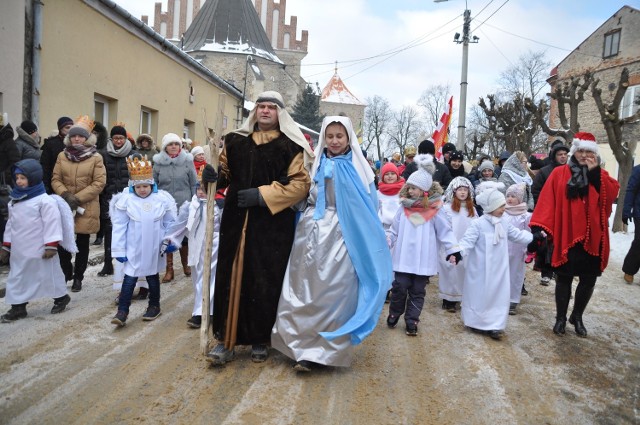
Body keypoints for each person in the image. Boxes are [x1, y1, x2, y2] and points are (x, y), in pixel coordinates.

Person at [271, 116, 392, 372]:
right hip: (310, 234)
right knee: (303, 289)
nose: (334, 141)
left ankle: (324, 351)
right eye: (330, 136)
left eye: (340, 136)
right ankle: (298, 346)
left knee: (334, 293)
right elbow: (303, 195)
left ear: (348, 139)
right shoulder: (313, 164)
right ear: (323, 138)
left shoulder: (361, 170)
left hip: (343, 236)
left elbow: (369, 209)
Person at [202, 91, 313, 365]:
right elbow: (223, 176)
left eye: (271, 108)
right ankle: (225, 340)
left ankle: (260, 338)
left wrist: (262, 196)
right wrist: (211, 174)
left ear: (280, 114)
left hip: (272, 225)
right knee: (230, 275)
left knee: (265, 278)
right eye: (261, 107)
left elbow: (301, 185)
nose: (265, 111)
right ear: (254, 112)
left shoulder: (290, 146)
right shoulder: (236, 142)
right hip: (235, 219)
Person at [530, 132, 619, 337]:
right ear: (574, 151)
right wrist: (539, 227)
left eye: (589, 151)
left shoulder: (601, 174)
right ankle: (560, 318)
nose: (584, 155)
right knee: (564, 278)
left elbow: (611, 195)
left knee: (588, 279)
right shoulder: (559, 173)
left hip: (592, 236)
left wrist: (595, 173)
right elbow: (547, 200)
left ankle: (577, 316)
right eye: (580, 150)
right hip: (567, 235)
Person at [386, 154, 461, 336]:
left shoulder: (435, 211)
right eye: (409, 187)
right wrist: (387, 241)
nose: (410, 191)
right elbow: (394, 230)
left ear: (425, 191)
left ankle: (412, 320)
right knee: (399, 287)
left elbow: (445, 231)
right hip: (403, 259)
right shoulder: (403, 208)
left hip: (423, 261)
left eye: (414, 188)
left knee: (418, 291)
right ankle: (395, 311)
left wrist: (453, 250)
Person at [0, 159, 76, 322]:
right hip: (20, 250)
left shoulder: (44, 201)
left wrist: (51, 245)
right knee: (17, 276)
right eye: (17, 178)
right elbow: (10, 225)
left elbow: (52, 223)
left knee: (48, 274)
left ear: (33, 178)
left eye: (23, 177)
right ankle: (18, 307)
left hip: (41, 249)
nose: (19, 181)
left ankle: (61, 297)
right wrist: (6, 246)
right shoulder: (14, 201)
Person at [458, 188, 538, 340]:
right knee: (479, 295)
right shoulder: (478, 224)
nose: (504, 209)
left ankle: (495, 325)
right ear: (491, 207)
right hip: (480, 269)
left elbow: (517, 235)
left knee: (498, 296)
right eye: (500, 206)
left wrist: (533, 237)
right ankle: (476, 321)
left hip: (499, 269)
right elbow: (466, 242)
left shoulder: (504, 223)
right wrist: (457, 252)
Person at [110, 155, 177, 327]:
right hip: (134, 247)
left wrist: (171, 241)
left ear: (151, 185)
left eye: (145, 186)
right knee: (130, 278)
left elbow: (170, 222)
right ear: (133, 187)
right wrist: (119, 249)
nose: (142, 190)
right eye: (138, 186)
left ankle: (154, 305)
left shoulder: (161, 199)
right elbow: (119, 226)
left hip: (154, 247)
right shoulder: (126, 201)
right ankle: (122, 311)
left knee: (152, 276)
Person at [51, 116, 106, 292]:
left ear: (87, 138)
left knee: (82, 243)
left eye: (81, 136)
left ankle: (78, 278)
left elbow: (99, 183)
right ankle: (67, 270)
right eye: (74, 136)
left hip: (86, 206)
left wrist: (78, 198)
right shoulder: (62, 155)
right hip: (65, 204)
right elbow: (55, 179)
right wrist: (65, 194)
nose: (77, 139)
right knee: (63, 242)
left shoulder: (96, 157)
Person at [164, 176, 220, 329]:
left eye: (205, 190)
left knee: (212, 278)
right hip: (197, 247)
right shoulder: (190, 206)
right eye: (199, 189)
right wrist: (170, 239)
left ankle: (208, 312)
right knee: (199, 279)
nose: (201, 193)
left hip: (215, 247)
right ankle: (202, 310)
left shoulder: (217, 206)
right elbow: (179, 225)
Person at [153, 133, 197, 282]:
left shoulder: (187, 161)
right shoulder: (158, 163)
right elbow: (154, 185)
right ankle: (169, 269)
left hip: (184, 204)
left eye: (176, 144)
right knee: (167, 237)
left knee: (183, 236)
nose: (173, 147)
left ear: (180, 146)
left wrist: (193, 202)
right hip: (165, 207)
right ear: (165, 147)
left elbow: (193, 183)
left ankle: (186, 265)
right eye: (170, 144)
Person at [97, 125, 136, 277]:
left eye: (121, 138)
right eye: (116, 138)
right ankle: (108, 263)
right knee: (109, 232)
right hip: (109, 198)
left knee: (129, 232)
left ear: (125, 139)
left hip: (128, 199)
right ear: (111, 139)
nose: (118, 141)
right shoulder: (104, 155)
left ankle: (127, 261)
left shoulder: (133, 155)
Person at [531, 140, 569, 286]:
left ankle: (560, 272)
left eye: (565, 154)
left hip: (564, 214)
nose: (563, 157)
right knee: (546, 243)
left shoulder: (572, 171)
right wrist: (542, 208)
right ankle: (546, 272)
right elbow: (536, 191)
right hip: (548, 213)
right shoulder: (545, 171)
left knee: (562, 243)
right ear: (554, 156)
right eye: (560, 154)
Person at [438, 176, 477, 312]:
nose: (462, 192)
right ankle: (448, 299)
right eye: (459, 189)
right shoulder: (447, 208)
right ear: (453, 191)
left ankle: (460, 297)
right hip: (451, 244)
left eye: (465, 190)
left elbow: (476, 226)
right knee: (450, 270)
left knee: (463, 270)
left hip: (466, 246)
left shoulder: (471, 209)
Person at [503, 183, 532, 315]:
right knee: (501, 273)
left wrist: (527, 249)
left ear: (520, 199)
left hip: (518, 250)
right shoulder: (502, 212)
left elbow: (528, 232)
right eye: (508, 196)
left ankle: (512, 300)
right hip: (502, 249)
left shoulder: (525, 215)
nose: (510, 199)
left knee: (516, 274)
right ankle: (500, 298)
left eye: (513, 196)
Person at [41, 116, 73, 194]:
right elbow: (45, 166)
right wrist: (46, 186)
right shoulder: (51, 144)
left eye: (72, 127)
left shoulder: (75, 142)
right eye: (67, 127)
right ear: (60, 128)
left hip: (72, 182)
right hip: (55, 182)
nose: (70, 130)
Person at [622, 164, 640, 284]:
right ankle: (629, 270)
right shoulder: (638, 170)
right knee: (639, 242)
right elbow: (631, 190)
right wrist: (626, 211)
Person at [377, 162, 404, 231]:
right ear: (383, 177)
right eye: (386, 174)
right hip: (384, 229)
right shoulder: (378, 193)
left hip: (401, 228)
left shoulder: (404, 191)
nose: (390, 176)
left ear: (397, 175)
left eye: (392, 173)